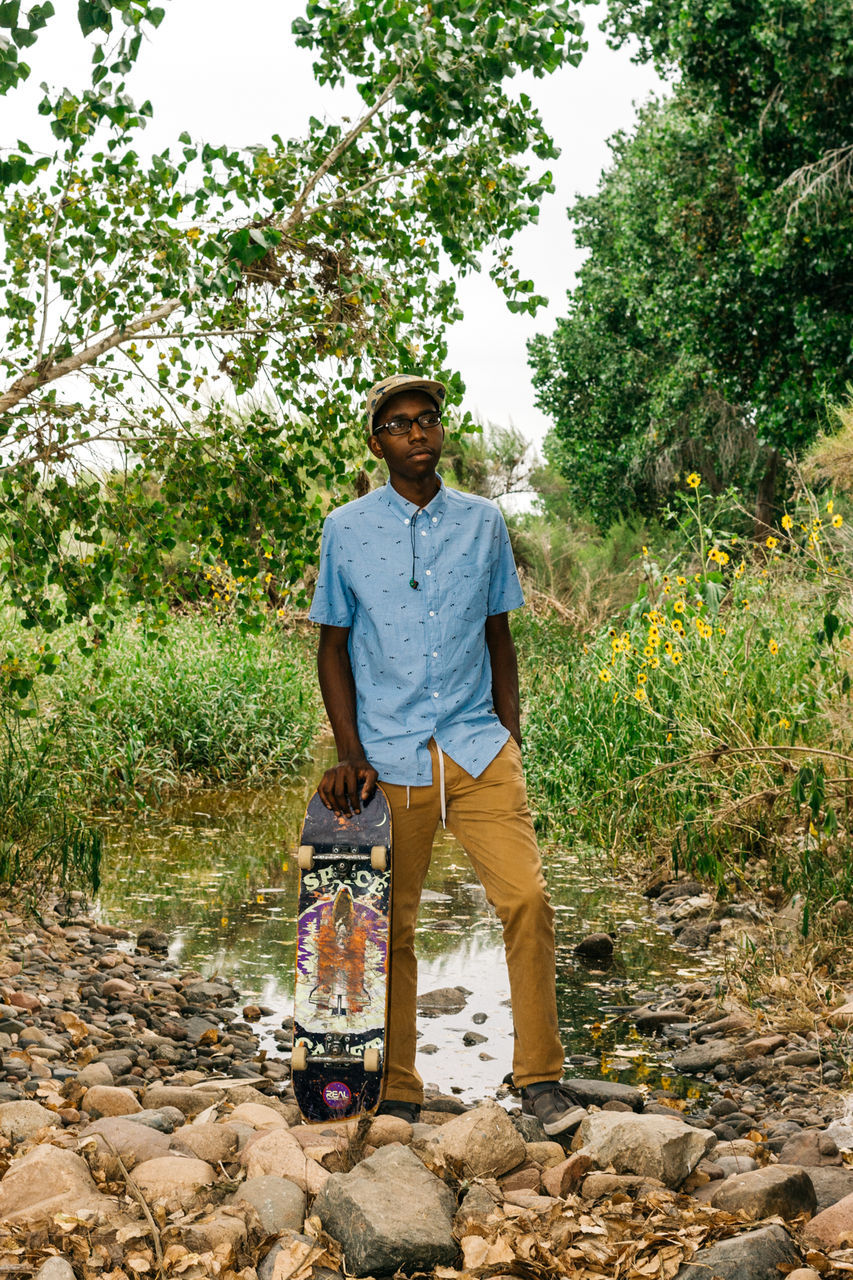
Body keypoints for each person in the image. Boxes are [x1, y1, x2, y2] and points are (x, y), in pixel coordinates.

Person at [307, 372, 586, 1137]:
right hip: (388, 756)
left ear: (440, 431)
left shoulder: (483, 522)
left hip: (476, 746)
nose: (417, 433)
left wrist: (509, 737)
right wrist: (349, 751)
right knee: (386, 925)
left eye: (427, 420)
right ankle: (397, 1085)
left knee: (525, 900)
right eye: (399, 424)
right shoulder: (345, 529)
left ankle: (539, 1080)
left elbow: (500, 636)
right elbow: (332, 648)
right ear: (378, 442)